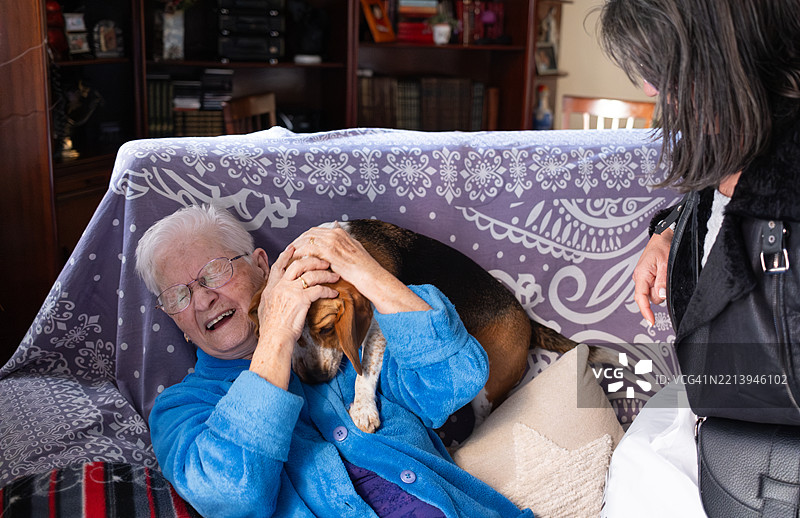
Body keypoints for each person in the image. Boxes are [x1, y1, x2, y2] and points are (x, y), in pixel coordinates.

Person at [134, 204, 531, 518]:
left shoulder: (348, 337)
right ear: (177, 322)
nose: (203, 299)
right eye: (179, 296)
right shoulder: (180, 408)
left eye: (214, 272)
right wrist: (275, 337)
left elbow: (454, 380)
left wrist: (366, 272)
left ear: (261, 266)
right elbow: (230, 497)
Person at [595, 0, 800, 516]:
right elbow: (725, 206)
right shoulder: (737, 138)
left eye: (661, 68)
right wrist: (670, 232)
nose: (649, 89)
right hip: (716, 414)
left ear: (722, 54)